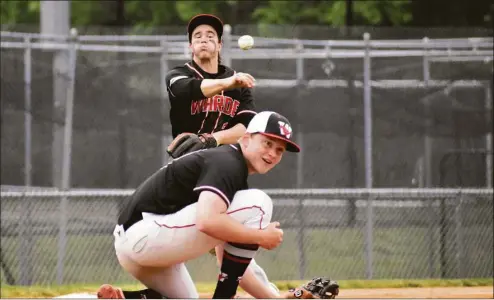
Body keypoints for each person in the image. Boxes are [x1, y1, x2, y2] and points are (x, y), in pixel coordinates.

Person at [97, 111, 304, 299]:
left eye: (280, 150)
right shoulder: (228, 163)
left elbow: (233, 265)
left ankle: (124, 298)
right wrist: (261, 236)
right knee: (259, 204)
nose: (273, 154)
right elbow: (207, 221)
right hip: (145, 234)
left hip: (137, 245)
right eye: (267, 143)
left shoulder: (230, 170)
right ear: (247, 139)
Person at [163, 13, 258, 159]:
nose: (203, 40)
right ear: (191, 46)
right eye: (197, 36)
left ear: (219, 44)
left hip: (223, 161)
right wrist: (228, 83)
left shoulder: (238, 84)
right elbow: (185, 89)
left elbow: (247, 126)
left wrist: (213, 139)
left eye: (210, 35)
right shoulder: (177, 75)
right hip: (185, 159)